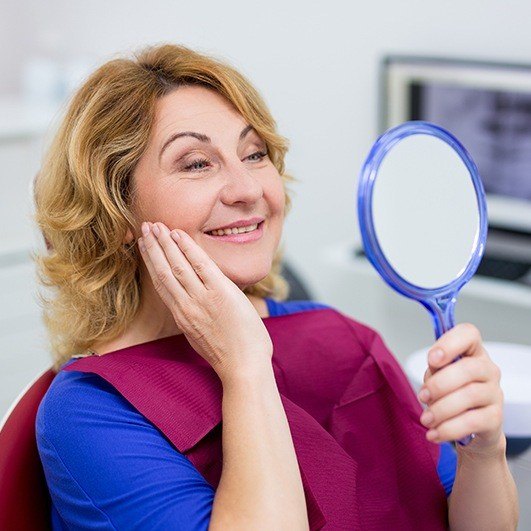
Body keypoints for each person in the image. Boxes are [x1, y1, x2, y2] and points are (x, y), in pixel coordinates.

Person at [33, 43, 519, 530]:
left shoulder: (343, 339)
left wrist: (486, 453)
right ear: (116, 211)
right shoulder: (89, 411)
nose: (247, 190)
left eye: (254, 154)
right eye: (197, 163)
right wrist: (244, 368)